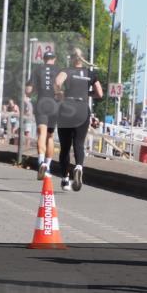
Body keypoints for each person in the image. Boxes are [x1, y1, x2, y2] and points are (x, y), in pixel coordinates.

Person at [54, 48, 104, 191]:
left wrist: (60, 93)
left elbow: (57, 82)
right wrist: (86, 93)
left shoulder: (67, 71)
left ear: (71, 58)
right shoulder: (90, 73)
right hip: (82, 109)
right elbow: (99, 93)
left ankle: (65, 179)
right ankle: (79, 166)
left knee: (65, 147)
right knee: (79, 143)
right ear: (82, 59)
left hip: (67, 108)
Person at [27, 49, 60, 180]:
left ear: (44, 59)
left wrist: (32, 90)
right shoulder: (59, 71)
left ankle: (41, 162)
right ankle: (48, 166)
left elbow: (29, 90)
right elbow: (61, 89)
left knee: (42, 133)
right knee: (50, 136)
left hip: (41, 102)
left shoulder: (37, 69)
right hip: (54, 104)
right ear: (55, 59)